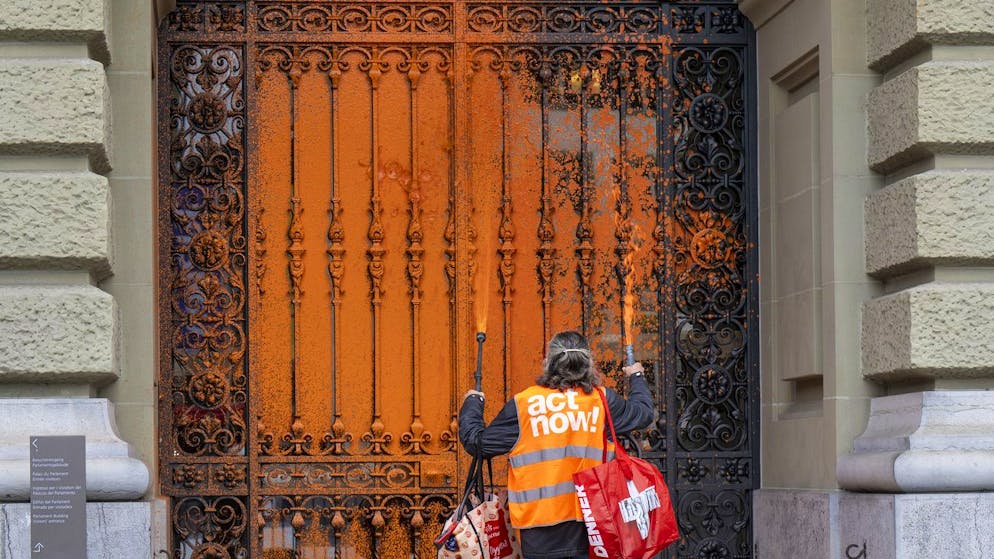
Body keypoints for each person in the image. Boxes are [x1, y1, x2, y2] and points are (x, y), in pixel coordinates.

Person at [459, 330, 655, 559]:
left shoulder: (525, 404)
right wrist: (637, 377)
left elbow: (477, 443)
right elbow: (642, 414)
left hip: (540, 533)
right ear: (588, 363)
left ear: (549, 363)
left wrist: (473, 402)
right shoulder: (602, 400)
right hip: (594, 529)